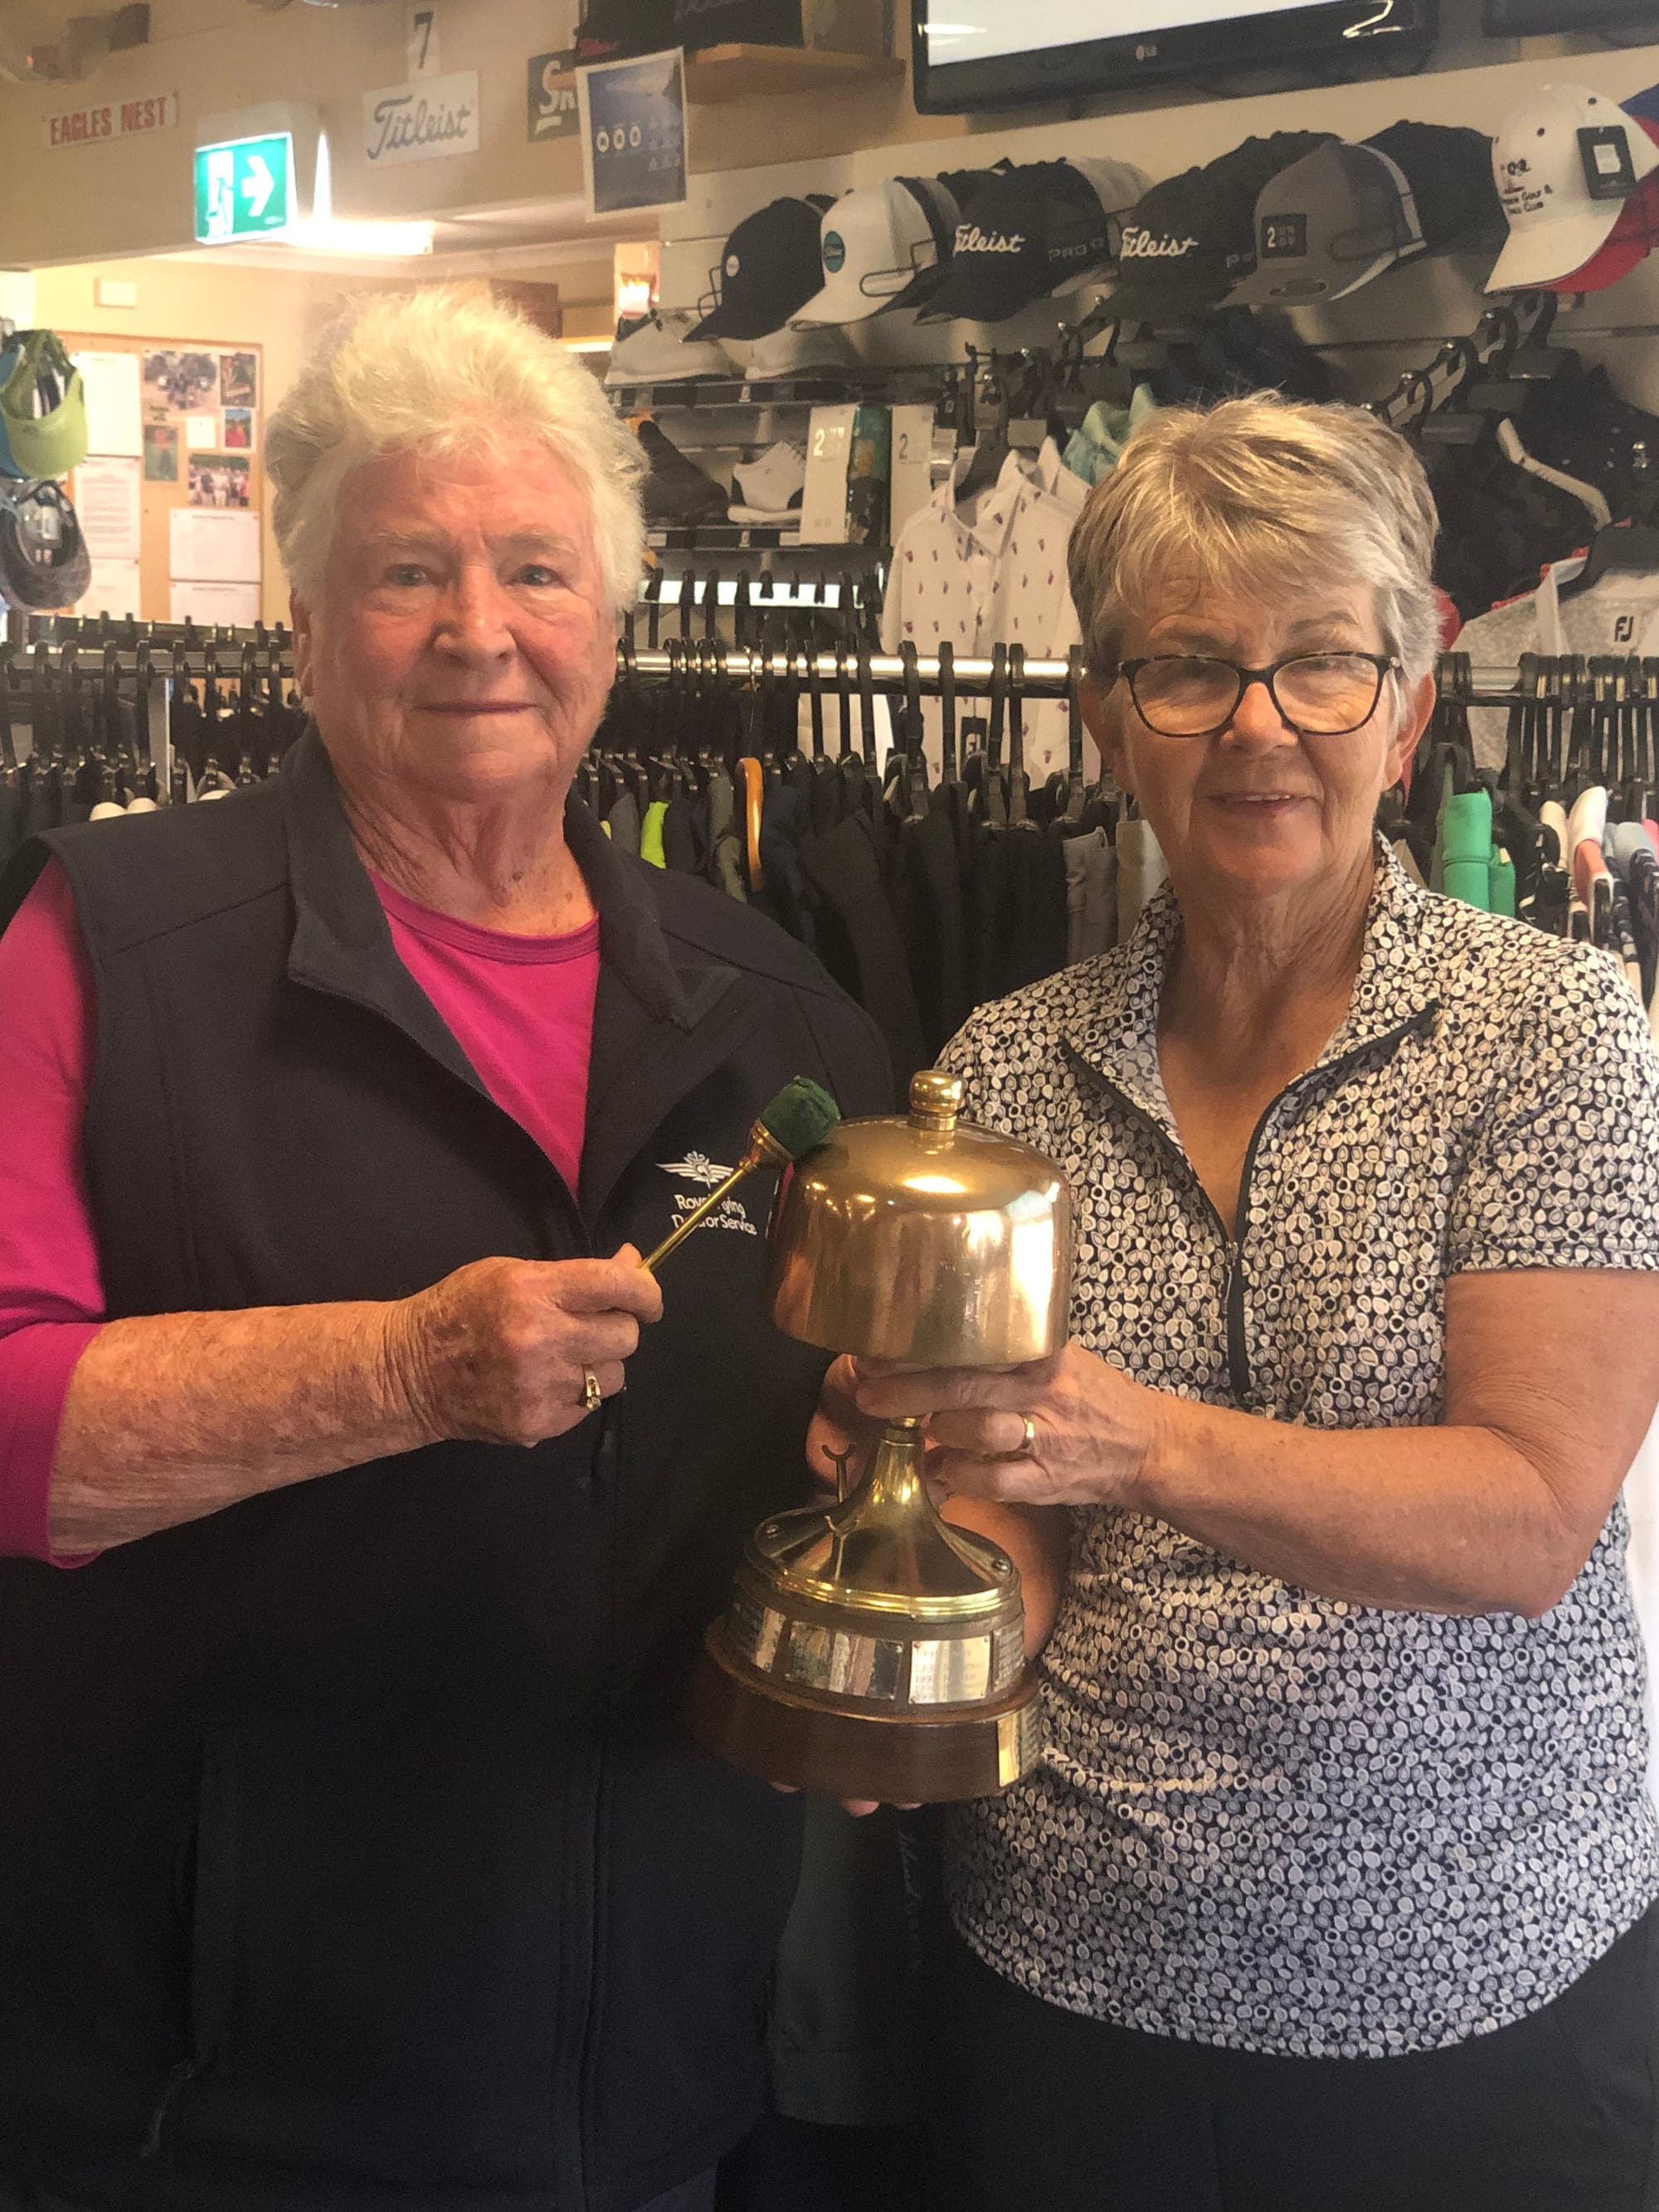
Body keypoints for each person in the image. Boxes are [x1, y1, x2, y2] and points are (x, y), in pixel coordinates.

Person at [0, 287, 887, 2210]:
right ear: (302, 622)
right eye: (407, 571)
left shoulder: (780, 1016)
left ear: (614, 621)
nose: (478, 629)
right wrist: (398, 1372)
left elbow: (842, 1455)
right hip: (216, 2100)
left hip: (647, 2075)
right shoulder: (108, 949)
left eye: (533, 569)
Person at [819, 394, 1659, 2210]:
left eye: (1319, 664)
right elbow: (1011, 1508)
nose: (1259, 723)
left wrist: (1136, 1439)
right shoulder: (1007, 1070)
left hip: (1468, 2005)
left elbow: (1526, 1514)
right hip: (1066, 1986)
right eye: (1190, 668)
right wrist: (924, 1613)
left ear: (1410, 700)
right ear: (1102, 716)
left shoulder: (1548, 1033)